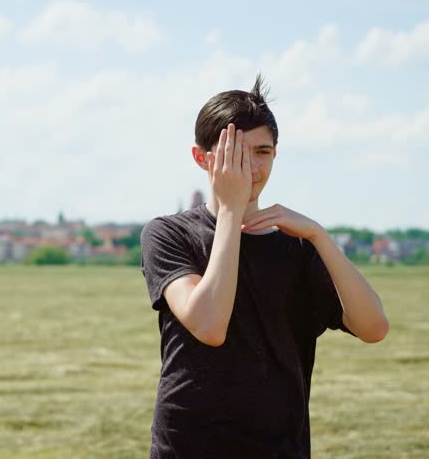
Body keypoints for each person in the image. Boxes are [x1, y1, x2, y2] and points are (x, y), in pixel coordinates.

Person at [139, 74, 389, 458]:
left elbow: (373, 328)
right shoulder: (169, 234)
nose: (251, 167)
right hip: (187, 445)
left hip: (279, 446)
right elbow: (209, 325)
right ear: (202, 158)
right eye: (235, 153)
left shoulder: (298, 246)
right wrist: (231, 211)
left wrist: (320, 237)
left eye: (263, 152)